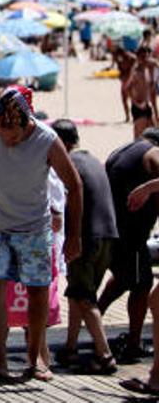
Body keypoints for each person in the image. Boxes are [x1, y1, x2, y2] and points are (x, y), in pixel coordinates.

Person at [0, 86, 82, 382]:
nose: (6, 138)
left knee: (37, 292)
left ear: (27, 123)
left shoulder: (47, 140)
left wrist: (74, 236)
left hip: (33, 227)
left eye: (12, 133)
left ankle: (35, 358)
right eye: (1, 129)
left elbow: (74, 185)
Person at [47, 120, 118, 375]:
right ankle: (70, 346)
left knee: (84, 298)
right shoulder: (93, 161)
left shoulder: (69, 165)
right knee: (79, 293)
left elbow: (61, 201)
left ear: (62, 143)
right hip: (108, 235)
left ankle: (104, 354)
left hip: (85, 238)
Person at [98, 128, 159, 364]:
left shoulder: (121, 150)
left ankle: (94, 317)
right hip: (130, 233)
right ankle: (133, 344)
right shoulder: (153, 153)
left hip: (108, 228)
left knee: (124, 278)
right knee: (142, 285)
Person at [124, 47, 159, 139]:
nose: (146, 59)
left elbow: (150, 88)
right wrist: (136, 103)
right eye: (143, 57)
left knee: (153, 134)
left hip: (147, 106)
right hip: (138, 107)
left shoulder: (147, 69)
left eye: (147, 56)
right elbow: (127, 88)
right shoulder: (136, 71)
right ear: (139, 58)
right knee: (139, 136)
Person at [110, 45, 138, 123]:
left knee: (132, 99)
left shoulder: (129, 56)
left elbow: (136, 61)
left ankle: (133, 116)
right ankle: (127, 117)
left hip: (130, 79)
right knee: (124, 99)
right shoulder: (118, 58)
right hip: (124, 79)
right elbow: (118, 67)